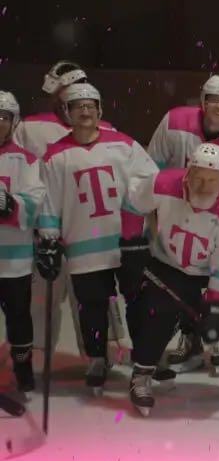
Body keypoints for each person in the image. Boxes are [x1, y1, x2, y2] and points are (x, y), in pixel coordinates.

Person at [36, 83, 158, 395]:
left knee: (138, 300)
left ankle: (144, 359)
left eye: (91, 105)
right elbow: (49, 201)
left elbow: (148, 183)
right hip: (82, 247)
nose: (85, 111)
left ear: (100, 109)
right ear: (68, 113)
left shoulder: (124, 145)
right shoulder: (55, 156)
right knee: (91, 306)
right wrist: (49, 240)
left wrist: (136, 227)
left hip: (125, 243)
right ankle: (97, 358)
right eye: (78, 107)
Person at [123, 144, 219, 415]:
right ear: (187, 172)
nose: (204, 186)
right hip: (167, 263)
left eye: (212, 180)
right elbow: (132, 203)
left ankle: (212, 339)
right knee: (154, 313)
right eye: (199, 177)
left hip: (208, 274)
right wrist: (132, 242)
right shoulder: (163, 183)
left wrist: (215, 307)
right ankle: (142, 373)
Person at [147, 74, 219, 371]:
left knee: (217, 275)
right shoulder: (174, 121)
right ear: (203, 100)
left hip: (211, 215)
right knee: (180, 275)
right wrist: (157, 207)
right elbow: (152, 165)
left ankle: (218, 331)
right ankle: (188, 336)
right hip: (174, 204)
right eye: (214, 99)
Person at [13, 61, 116, 358]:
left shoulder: (105, 129)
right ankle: (39, 353)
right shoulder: (30, 128)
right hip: (47, 229)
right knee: (44, 297)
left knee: (94, 297)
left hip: (91, 228)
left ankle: (97, 354)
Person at [0, 91, 45, 393]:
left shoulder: (26, 160)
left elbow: (35, 202)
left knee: (18, 316)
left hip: (12, 260)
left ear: (14, 122)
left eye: (4, 117)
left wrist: (8, 204)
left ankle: (23, 367)